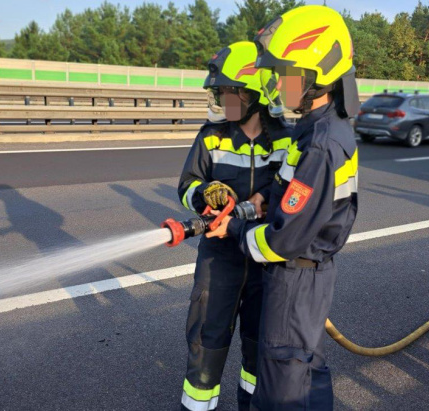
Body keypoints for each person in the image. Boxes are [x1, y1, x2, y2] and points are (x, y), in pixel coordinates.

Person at [206, 5, 360, 409]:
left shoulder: (321, 143)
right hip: (305, 278)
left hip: (294, 280)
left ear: (315, 76)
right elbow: (294, 189)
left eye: (285, 74)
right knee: (305, 369)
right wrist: (264, 199)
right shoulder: (315, 125)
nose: (276, 82)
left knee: (284, 383)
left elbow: (283, 239)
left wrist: (235, 230)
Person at [177, 41, 293, 411]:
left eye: (230, 92)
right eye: (220, 92)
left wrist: (265, 202)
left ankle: (252, 404)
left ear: (255, 95)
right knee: (206, 340)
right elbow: (186, 186)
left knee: (261, 345)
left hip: (265, 257)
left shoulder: (285, 139)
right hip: (219, 258)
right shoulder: (211, 136)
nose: (223, 100)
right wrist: (203, 193)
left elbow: (295, 195)